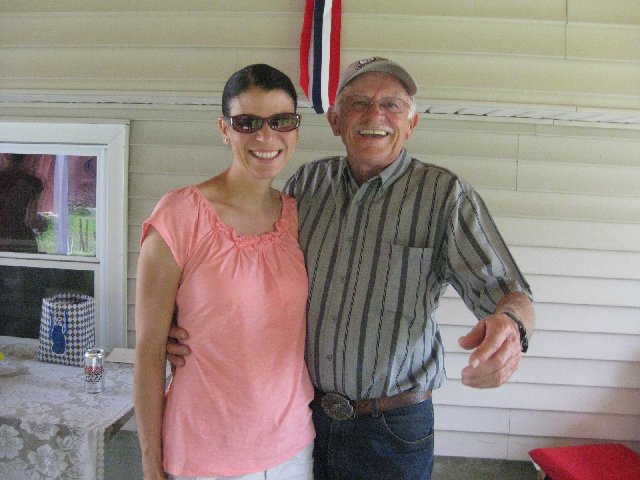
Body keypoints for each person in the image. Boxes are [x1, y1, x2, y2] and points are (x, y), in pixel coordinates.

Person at [166, 57, 535, 480]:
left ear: (411, 124)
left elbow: (510, 292)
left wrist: (511, 327)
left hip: (392, 429)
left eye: (392, 105)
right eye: (359, 103)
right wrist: (183, 323)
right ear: (335, 121)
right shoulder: (306, 186)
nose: (375, 115)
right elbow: (254, 275)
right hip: (307, 418)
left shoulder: (444, 196)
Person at [134, 64, 315, 480]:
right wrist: (149, 463)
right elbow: (149, 351)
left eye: (281, 121)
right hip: (205, 455)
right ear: (224, 130)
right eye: (247, 122)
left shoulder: (298, 216)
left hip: (292, 448)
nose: (265, 137)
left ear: (296, 130)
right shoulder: (180, 215)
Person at [0, 154, 44, 253]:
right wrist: (42, 224)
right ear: (27, 158)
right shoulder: (33, 183)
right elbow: (31, 220)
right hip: (21, 238)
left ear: (6, 157)